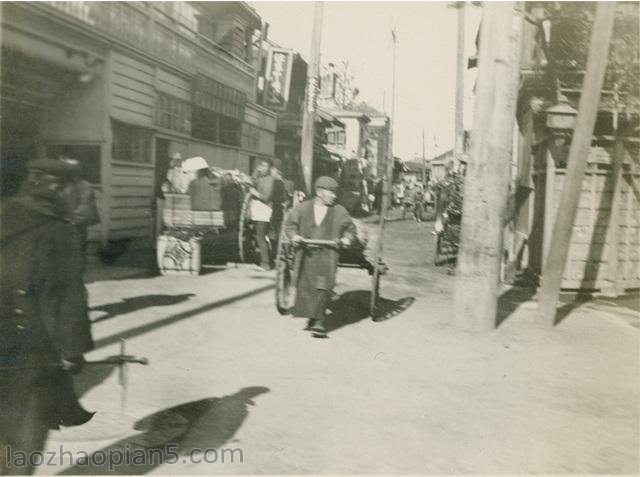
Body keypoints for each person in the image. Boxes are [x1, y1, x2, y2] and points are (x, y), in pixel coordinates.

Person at [1, 158, 94, 475]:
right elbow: (66, 296)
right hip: (32, 348)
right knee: (26, 433)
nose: (76, 197)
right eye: (74, 189)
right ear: (57, 187)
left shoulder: (4, 214)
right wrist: (72, 350)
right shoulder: (58, 233)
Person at [284, 176, 355, 338]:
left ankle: (318, 322)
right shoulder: (302, 209)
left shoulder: (340, 211)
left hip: (328, 254)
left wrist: (347, 238)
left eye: (335, 193)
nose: (334, 196)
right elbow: (290, 226)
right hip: (306, 254)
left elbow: (350, 229)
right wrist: (294, 236)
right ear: (319, 192)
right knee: (307, 286)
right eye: (331, 192)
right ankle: (312, 316)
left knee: (323, 286)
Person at [57, 157, 100, 265]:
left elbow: (85, 207)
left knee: (76, 257)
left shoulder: (84, 185)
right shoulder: (56, 184)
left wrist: (65, 219)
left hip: (75, 227)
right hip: (56, 227)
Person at [250, 158, 275, 271]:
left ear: (270, 168)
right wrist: (256, 171)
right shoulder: (262, 178)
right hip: (259, 210)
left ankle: (266, 264)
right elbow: (252, 182)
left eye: (265, 166)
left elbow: (267, 197)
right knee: (260, 236)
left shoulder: (270, 180)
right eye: (261, 165)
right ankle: (265, 261)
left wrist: (255, 193)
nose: (263, 168)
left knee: (260, 237)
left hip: (265, 210)